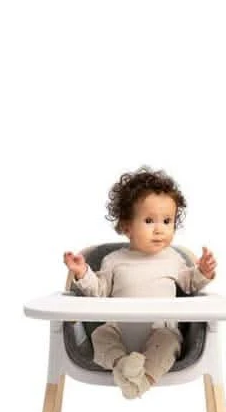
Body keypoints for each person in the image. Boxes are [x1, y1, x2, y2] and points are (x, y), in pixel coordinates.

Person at [63, 167, 216, 399]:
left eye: (167, 221)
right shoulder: (113, 260)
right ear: (127, 226)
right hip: (119, 330)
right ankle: (123, 363)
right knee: (101, 336)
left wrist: (203, 270)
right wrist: (82, 272)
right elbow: (99, 291)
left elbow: (190, 284)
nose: (159, 229)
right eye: (149, 220)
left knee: (169, 342)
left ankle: (138, 382)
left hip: (159, 330)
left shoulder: (174, 259)